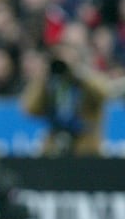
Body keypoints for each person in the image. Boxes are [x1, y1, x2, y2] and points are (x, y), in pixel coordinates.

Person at [21, 26, 125, 157]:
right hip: (54, 145)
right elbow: (30, 108)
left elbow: (104, 93)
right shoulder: (51, 82)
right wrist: (45, 76)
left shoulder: (87, 79)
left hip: (86, 147)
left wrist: (79, 72)